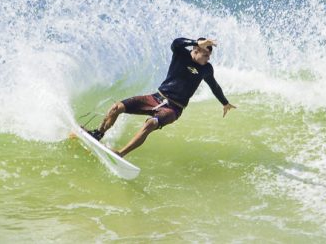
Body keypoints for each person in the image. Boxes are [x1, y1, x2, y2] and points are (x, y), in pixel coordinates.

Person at [87, 37, 236, 157]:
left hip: (174, 108)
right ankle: (98, 134)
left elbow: (214, 86)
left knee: (150, 124)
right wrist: (195, 41)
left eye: (209, 56)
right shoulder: (181, 54)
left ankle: (121, 153)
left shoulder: (206, 69)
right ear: (196, 50)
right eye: (205, 55)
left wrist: (225, 103)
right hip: (156, 97)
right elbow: (176, 43)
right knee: (116, 108)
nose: (208, 58)